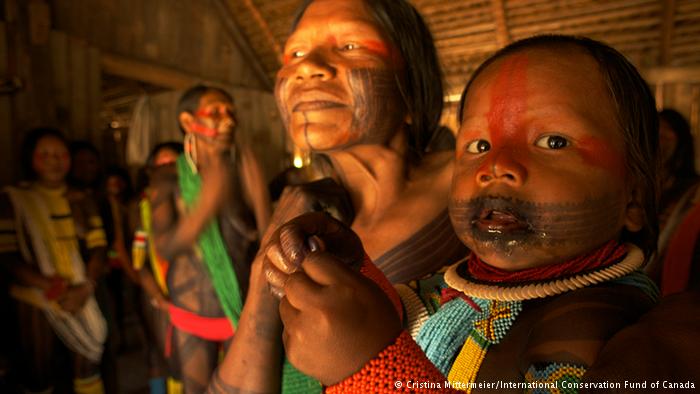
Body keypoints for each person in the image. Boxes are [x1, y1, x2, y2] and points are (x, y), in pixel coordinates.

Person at [263, 34, 662, 391]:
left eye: (553, 141)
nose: (496, 166)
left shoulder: (616, 332)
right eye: (479, 146)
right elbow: (413, 323)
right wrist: (356, 277)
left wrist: (372, 371)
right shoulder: (459, 286)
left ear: (634, 199)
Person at [206, 1, 466, 392]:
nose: (307, 67)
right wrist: (268, 263)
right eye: (294, 53)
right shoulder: (305, 212)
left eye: (349, 47)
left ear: (411, 86)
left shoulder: (472, 184)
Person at [149, 85, 270, 393]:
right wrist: (205, 205)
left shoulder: (244, 171)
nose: (228, 120)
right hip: (191, 310)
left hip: (241, 311)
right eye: (215, 112)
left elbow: (266, 241)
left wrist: (260, 196)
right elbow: (165, 247)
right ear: (188, 122)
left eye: (231, 112)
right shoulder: (167, 178)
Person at [0, 127, 108, 394]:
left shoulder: (82, 199)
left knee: (89, 362)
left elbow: (99, 248)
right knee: (38, 371)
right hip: (35, 297)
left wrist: (85, 288)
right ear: (30, 159)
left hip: (81, 293)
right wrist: (51, 288)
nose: (54, 161)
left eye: (60, 154)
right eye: (45, 154)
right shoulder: (13, 199)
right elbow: (7, 256)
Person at [131, 142, 184, 394]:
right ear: (151, 172)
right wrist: (159, 298)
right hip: (161, 297)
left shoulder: (198, 203)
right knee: (168, 359)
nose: (168, 170)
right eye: (161, 165)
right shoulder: (143, 208)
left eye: (174, 163)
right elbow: (139, 263)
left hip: (198, 298)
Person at [646, 109, 700, 295]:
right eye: (656, 133)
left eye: (666, 134)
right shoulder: (633, 186)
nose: (660, 140)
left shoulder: (692, 192)